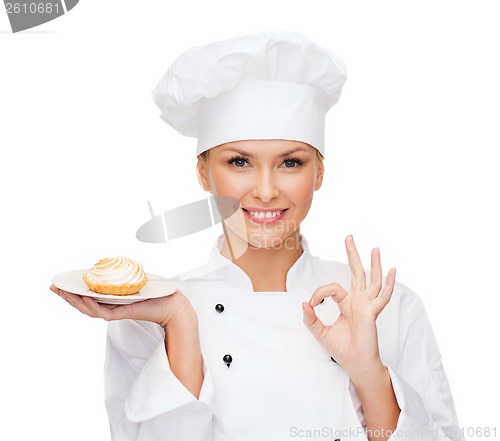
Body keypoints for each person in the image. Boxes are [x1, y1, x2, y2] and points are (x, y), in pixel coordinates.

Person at [50, 32, 464, 441]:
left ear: (319, 172)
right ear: (202, 172)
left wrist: (368, 373)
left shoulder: (387, 308)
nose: (266, 190)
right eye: (240, 162)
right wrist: (181, 323)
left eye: (290, 162)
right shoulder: (149, 318)